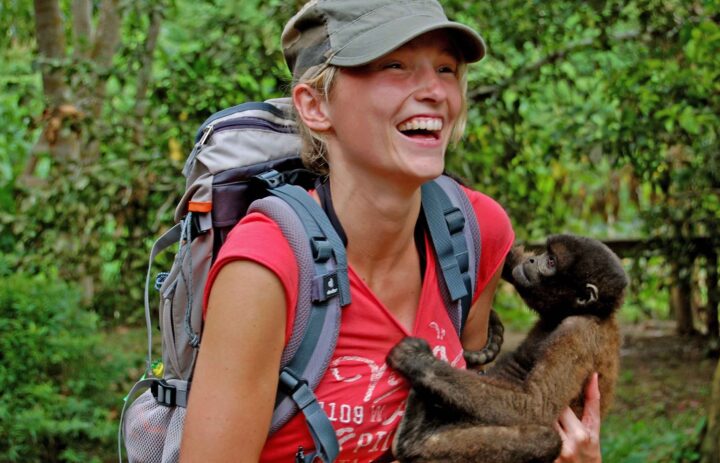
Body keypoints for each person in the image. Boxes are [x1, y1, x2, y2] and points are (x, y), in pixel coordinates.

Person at [180, 1, 602, 461]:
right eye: (395, 65)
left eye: (446, 68)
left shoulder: (476, 232)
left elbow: (467, 421)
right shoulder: (264, 269)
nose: (435, 91)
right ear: (316, 105)